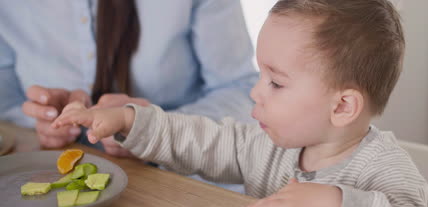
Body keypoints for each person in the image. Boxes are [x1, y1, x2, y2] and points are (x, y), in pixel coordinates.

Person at [51, 0, 428, 207]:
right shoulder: (264, 145)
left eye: (276, 82)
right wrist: (129, 120)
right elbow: (197, 140)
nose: (255, 93)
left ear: (343, 106)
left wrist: (336, 202)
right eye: (261, 76)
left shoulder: (384, 167)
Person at [0, 0, 257, 151]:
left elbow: (238, 88)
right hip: (46, 168)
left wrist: (155, 130)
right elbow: (5, 93)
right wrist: (43, 119)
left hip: (176, 184)